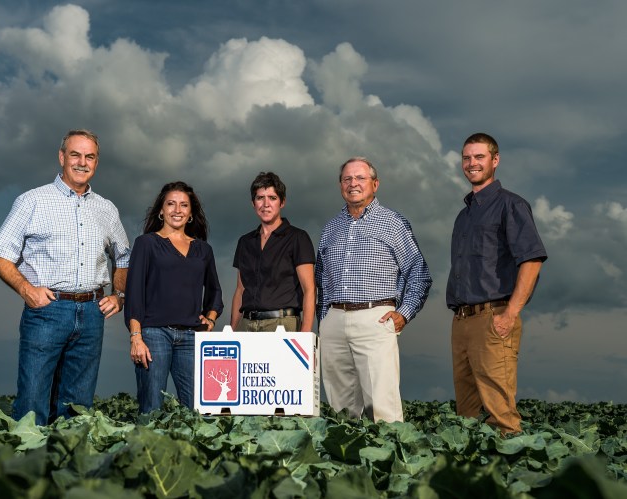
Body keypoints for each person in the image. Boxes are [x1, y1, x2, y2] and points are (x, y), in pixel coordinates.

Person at [0, 129, 130, 425]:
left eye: (89, 156)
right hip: (47, 311)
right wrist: (26, 289)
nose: (82, 162)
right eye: (75, 154)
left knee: (77, 407)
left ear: (96, 162)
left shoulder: (107, 209)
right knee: (32, 403)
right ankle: (29, 466)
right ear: (62, 157)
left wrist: (120, 296)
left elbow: (124, 257)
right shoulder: (32, 201)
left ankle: (67, 466)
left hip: (92, 313)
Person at [315, 157, 432, 423]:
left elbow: (418, 271)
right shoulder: (330, 228)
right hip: (334, 320)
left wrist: (404, 312)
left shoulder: (393, 222)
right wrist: (324, 320)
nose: (353, 183)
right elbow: (321, 277)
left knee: (382, 405)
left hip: (375, 316)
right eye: (347, 179)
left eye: (360, 178)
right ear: (340, 185)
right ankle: (344, 459)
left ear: (375, 184)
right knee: (340, 408)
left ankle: (388, 460)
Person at [447, 133, 547, 435]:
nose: (472, 163)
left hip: (494, 319)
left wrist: (510, 314)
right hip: (462, 321)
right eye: (467, 158)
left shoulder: (511, 205)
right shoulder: (463, 216)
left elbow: (531, 260)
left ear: (495, 160)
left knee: (500, 416)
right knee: (465, 416)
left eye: (479, 157)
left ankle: (509, 475)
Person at [125, 181, 223, 413]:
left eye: (183, 205)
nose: (177, 210)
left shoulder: (203, 250)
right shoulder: (146, 244)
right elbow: (134, 293)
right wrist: (136, 337)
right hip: (153, 334)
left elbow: (215, 290)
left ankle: (188, 450)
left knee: (196, 408)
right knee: (152, 406)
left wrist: (210, 318)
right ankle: (148, 449)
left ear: (190, 213)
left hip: (192, 337)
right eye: (171, 204)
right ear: (161, 210)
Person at [230, 172, 316, 332]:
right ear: (253, 203)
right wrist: (233, 331)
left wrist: (305, 334)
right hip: (246, 324)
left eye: (272, 198)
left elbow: (309, 289)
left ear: (282, 202)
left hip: (282, 324)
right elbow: (240, 290)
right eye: (260, 198)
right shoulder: (245, 242)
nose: (266, 204)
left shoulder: (298, 238)